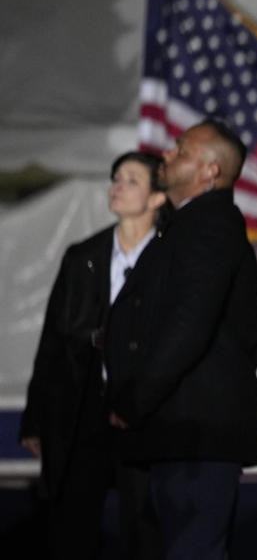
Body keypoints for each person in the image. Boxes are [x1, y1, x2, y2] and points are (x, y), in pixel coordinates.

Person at [105, 120, 257, 559]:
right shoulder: (183, 228)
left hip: (195, 435)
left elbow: (187, 326)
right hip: (175, 431)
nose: (168, 154)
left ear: (209, 171)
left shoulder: (209, 227)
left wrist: (133, 400)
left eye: (181, 149)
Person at [19, 151, 167, 559]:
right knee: (74, 525)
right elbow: (53, 341)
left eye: (132, 180)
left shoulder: (170, 257)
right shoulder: (82, 256)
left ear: (157, 197)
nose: (117, 186)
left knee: (143, 524)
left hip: (143, 413)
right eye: (116, 177)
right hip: (82, 406)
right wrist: (36, 416)